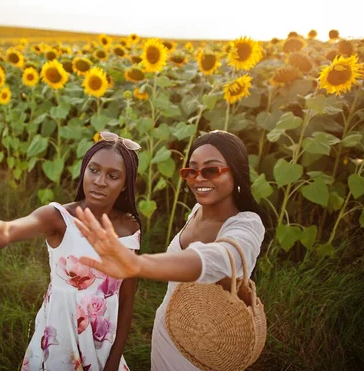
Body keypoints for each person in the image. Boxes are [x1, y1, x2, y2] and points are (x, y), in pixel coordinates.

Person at [0, 132, 142, 371]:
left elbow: (126, 298)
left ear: (125, 183)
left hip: (102, 345)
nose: (99, 181)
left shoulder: (130, 227)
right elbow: (4, 231)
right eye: (93, 170)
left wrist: (114, 359)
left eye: (112, 176)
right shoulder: (59, 219)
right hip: (61, 341)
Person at [73, 130, 268, 371]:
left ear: (236, 171)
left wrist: (139, 265)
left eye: (211, 170)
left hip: (209, 344)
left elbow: (220, 258)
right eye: (191, 170)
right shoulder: (196, 210)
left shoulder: (247, 225)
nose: (198, 178)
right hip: (167, 329)